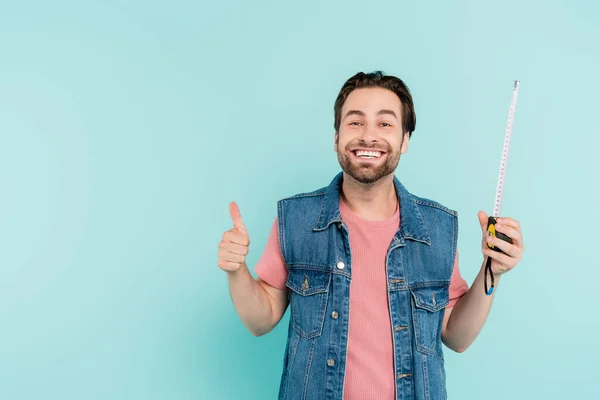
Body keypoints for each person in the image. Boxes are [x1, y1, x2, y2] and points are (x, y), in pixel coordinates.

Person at [217, 71, 525, 400]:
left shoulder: (435, 229)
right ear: (336, 137)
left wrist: (492, 271)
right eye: (355, 122)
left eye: (385, 123)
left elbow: (457, 336)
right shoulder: (296, 220)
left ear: (405, 140)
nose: (368, 136)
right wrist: (237, 272)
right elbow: (260, 321)